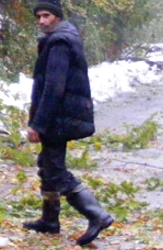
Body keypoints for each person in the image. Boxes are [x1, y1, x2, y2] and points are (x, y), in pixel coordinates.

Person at [24, 0, 114, 246]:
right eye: (39, 16)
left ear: (57, 17)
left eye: (47, 15)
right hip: (61, 115)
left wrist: (38, 124)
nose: (42, 21)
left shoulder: (59, 41)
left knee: (55, 169)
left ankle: (97, 215)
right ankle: (49, 220)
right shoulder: (59, 37)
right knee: (47, 164)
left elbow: (54, 87)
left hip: (60, 116)